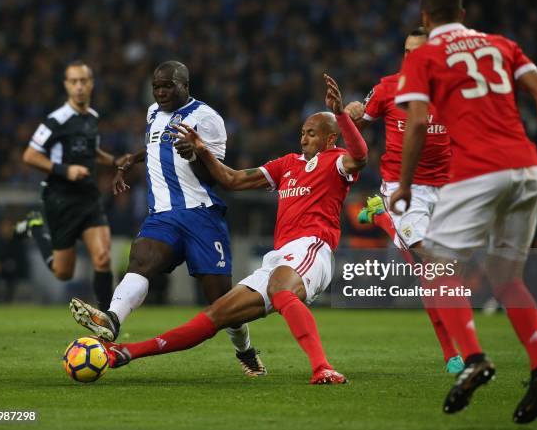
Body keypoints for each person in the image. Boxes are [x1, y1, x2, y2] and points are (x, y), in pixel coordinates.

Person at [95, 74, 367, 385]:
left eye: (312, 134)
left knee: (280, 289)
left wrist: (343, 116)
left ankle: (322, 367)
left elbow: (360, 156)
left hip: (311, 248)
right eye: (302, 133)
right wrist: (202, 150)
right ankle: (128, 352)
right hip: (278, 257)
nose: (303, 139)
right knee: (216, 315)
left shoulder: (336, 161)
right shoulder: (287, 164)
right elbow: (232, 180)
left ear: (330, 139)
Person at [391, 0, 537, 423]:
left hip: (478, 171)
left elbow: (414, 124)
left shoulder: (425, 55)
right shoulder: (501, 44)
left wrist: (405, 183)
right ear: (464, 15)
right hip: (527, 168)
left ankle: (473, 359)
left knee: (439, 268)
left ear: (425, 19)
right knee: (508, 276)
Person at [69, 61, 265, 377]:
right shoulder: (152, 113)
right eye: (156, 87)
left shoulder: (207, 119)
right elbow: (157, 144)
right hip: (162, 215)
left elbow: (214, 176)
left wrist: (197, 153)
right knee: (141, 262)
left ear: (185, 85)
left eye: (167, 86)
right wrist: (132, 158)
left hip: (201, 215)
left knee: (224, 302)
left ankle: (245, 351)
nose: (160, 92)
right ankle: (111, 319)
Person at [345, 27, 463, 374]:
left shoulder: (457, 90)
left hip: (447, 188)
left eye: (419, 52)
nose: (411, 58)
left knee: (429, 272)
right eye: (407, 51)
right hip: (403, 187)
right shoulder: (387, 88)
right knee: (431, 262)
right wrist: (348, 114)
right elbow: (356, 128)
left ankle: (380, 216)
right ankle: (451, 353)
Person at [16, 61, 128, 310]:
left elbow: (92, 151)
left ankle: (108, 321)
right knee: (63, 272)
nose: (79, 86)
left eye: (83, 81)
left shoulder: (93, 118)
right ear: (66, 85)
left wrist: (113, 160)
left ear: (91, 84)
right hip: (61, 199)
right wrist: (66, 170)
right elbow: (30, 155)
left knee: (102, 257)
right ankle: (35, 227)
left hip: (88, 197)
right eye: (73, 81)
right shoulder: (56, 120)